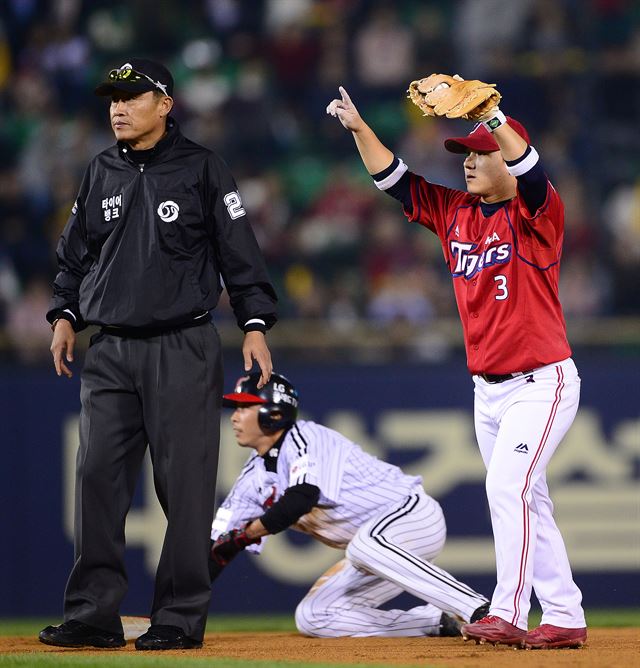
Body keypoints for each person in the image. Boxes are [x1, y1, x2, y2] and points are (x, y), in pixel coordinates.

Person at [326, 85, 586, 650]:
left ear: (506, 156)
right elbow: (394, 180)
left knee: (507, 486)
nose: (468, 161)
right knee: (528, 496)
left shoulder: (537, 211)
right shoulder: (455, 212)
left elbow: (533, 170)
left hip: (540, 382)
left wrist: (491, 116)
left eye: (480, 151)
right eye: (464, 153)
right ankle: (564, 614)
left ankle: (510, 610)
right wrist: (358, 128)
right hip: (487, 390)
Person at [39, 58, 277, 651]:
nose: (117, 107)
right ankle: (93, 615)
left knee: (186, 487)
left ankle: (177, 618)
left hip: (183, 344)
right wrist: (65, 313)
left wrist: (253, 324)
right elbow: (74, 256)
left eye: (131, 96)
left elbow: (239, 253)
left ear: (164, 103)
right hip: (111, 348)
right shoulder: (99, 172)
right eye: (111, 99)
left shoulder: (202, 168)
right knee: (96, 479)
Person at [209, 372, 489, 638]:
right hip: (373, 554)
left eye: (244, 408)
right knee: (313, 616)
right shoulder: (250, 479)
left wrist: (247, 534)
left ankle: (481, 611)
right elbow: (215, 547)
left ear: (274, 414)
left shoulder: (308, 438)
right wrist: (178, 606)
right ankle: (430, 621)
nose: (234, 417)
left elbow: (301, 497)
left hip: (412, 518)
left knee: (364, 545)